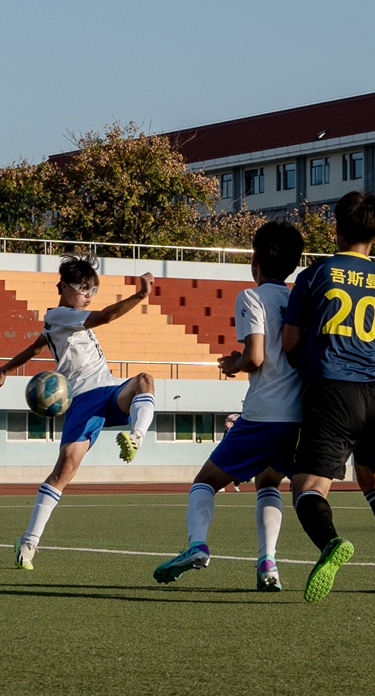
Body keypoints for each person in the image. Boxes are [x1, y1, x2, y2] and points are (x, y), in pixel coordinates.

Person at [280, 191, 375, 602]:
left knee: (307, 487)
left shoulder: (315, 275)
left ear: (335, 228)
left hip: (331, 390)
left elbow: (290, 341)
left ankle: (330, 542)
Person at [153, 222, 306, 591]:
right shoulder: (301, 299)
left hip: (263, 413)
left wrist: (235, 363)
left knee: (205, 481)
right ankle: (268, 563)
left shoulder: (251, 297)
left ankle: (197, 545)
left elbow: (255, 357)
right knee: (269, 481)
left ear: (254, 260)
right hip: (298, 416)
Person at [0, 254, 156, 570]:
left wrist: (7, 368)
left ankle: (135, 436)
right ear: (63, 287)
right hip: (82, 401)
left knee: (145, 380)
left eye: (92, 289)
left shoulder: (60, 321)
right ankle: (28, 543)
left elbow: (38, 346)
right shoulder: (61, 315)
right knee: (64, 471)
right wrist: (139, 296)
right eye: (83, 288)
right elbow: (105, 317)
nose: (88, 295)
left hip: (108, 391)